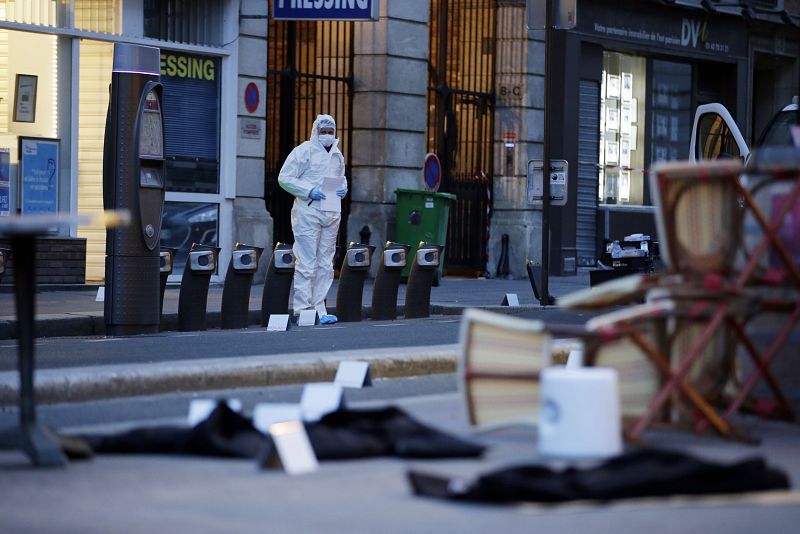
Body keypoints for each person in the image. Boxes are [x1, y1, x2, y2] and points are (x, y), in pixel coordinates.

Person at [278, 114, 347, 324]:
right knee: (306, 263)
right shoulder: (303, 151)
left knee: (325, 264)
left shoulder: (337, 155)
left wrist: (344, 189)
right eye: (323, 131)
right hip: (308, 212)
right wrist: (309, 191)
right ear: (315, 131)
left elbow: (340, 177)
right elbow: (284, 178)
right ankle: (302, 310)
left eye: (330, 132)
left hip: (331, 212)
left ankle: (320, 309)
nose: (327, 135)